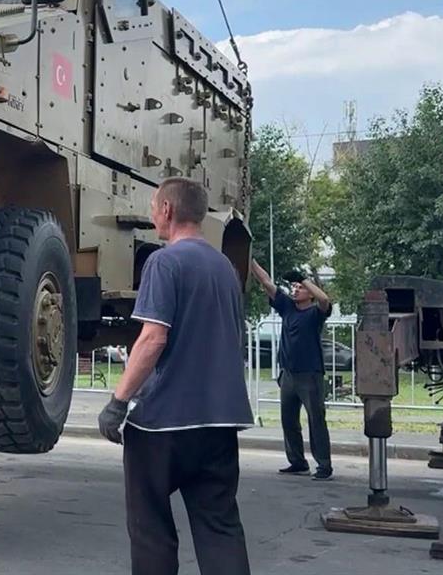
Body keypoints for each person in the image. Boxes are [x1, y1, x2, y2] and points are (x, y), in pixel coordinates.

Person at [97, 178, 253, 575]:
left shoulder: (164, 262)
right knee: (219, 527)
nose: (151, 213)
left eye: (153, 206)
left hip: (164, 424)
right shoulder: (224, 268)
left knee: (150, 528)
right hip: (219, 420)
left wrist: (117, 403)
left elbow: (152, 338)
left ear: (167, 210)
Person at [250, 259, 333, 481]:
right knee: (288, 420)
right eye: (294, 286)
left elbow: (325, 299)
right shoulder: (287, 307)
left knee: (316, 420)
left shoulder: (316, 313)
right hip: (288, 374)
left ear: (311, 293)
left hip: (310, 374)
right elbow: (266, 281)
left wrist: (303, 277)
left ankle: (324, 466)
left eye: (300, 287)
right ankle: (297, 462)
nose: (295, 289)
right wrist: (249, 258)